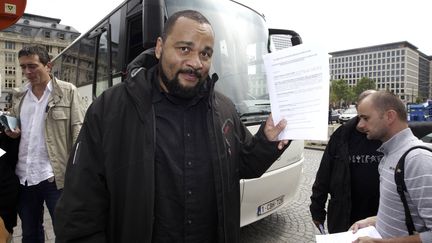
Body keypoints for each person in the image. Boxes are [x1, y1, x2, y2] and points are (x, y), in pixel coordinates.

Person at [54, 10, 289, 243]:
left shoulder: (224, 109)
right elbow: (80, 211)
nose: (195, 63)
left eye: (205, 54)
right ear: (159, 48)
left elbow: (243, 164)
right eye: (184, 49)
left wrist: (266, 141)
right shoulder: (109, 109)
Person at [4, 45, 85, 243]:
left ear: (49, 65)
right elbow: (14, 128)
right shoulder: (20, 96)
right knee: (30, 234)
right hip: (24, 177)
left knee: (65, 231)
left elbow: (79, 131)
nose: (27, 72)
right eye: (23, 67)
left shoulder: (67, 91)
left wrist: (77, 172)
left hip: (54, 178)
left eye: (32, 66)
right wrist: (10, 132)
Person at [352, 91, 432, 243]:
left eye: (365, 118)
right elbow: (404, 212)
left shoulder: (417, 160)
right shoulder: (389, 154)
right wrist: (373, 220)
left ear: (390, 116)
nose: (360, 125)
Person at [310, 90, 383, 234]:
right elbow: (324, 174)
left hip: (379, 215)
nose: (362, 125)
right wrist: (317, 209)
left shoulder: (386, 135)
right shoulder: (342, 135)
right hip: (343, 215)